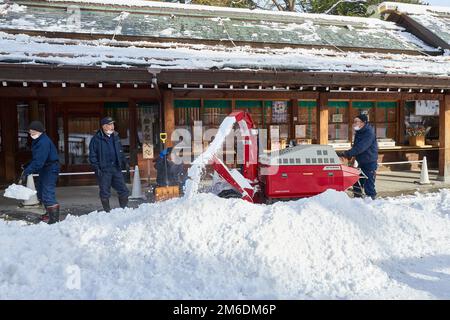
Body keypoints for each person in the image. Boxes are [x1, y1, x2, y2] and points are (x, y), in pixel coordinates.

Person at [21, 121, 60, 224]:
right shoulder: (38, 140)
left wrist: (27, 171)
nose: (31, 134)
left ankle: (54, 219)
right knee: (41, 192)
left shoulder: (43, 142)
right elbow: (37, 157)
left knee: (47, 192)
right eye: (30, 132)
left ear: (40, 131)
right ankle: (48, 214)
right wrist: (28, 164)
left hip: (50, 168)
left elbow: (39, 161)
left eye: (33, 132)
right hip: (45, 167)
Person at [89, 116, 129, 212]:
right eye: (110, 124)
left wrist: (125, 162)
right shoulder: (96, 139)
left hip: (116, 168)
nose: (112, 126)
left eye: (113, 124)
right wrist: (96, 168)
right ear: (104, 126)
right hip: (104, 170)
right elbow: (92, 156)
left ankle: (124, 211)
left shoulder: (115, 137)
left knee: (124, 190)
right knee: (105, 192)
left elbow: (120, 152)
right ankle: (107, 213)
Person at [341, 113, 378, 200]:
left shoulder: (369, 133)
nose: (354, 123)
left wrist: (348, 153)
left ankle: (371, 199)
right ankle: (358, 197)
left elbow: (361, 147)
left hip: (369, 161)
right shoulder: (359, 132)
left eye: (356, 121)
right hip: (361, 161)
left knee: (369, 182)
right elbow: (356, 147)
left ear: (363, 122)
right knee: (355, 178)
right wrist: (351, 156)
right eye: (354, 122)